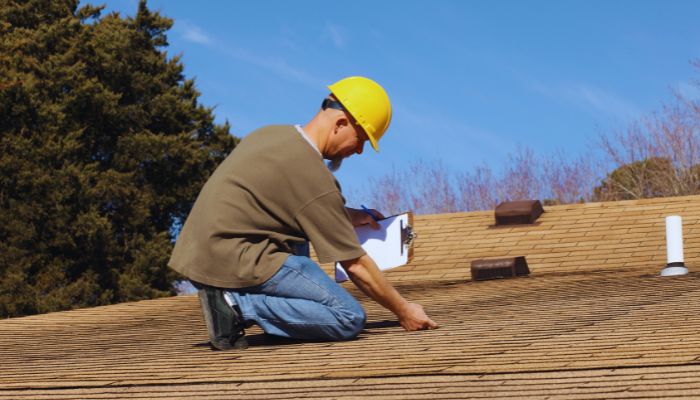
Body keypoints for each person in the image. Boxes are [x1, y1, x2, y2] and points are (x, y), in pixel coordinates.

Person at [169, 76, 438, 350]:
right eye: (361, 140)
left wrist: (346, 215)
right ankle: (235, 306)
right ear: (341, 123)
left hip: (203, 253)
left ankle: (279, 321)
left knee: (300, 235)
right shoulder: (313, 175)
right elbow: (355, 264)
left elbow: (288, 201)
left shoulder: (272, 135)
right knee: (348, 317)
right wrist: (403, 309)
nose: (358, 151)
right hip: (235, 259)